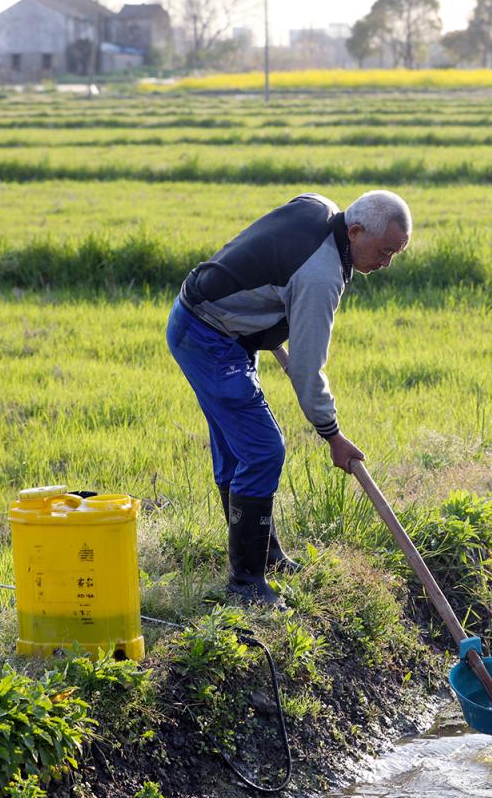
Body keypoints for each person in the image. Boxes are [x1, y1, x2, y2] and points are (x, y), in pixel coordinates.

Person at [166, 190, 412, 605]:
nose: (387, 263)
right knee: (262, 450)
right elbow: (305, 368)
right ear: (354, 231)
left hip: (213, 323)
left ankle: (266, 557)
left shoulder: (317, 205)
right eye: (386, 251)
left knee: (241, 447)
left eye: (396, 254)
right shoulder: (321, 277)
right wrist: (332, 434)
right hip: (208, 335)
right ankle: (245, 584)